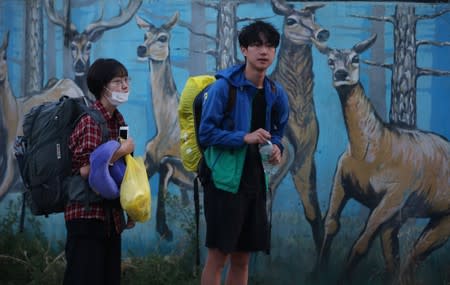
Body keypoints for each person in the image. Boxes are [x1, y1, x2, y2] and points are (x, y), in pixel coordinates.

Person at [198, 21, 289, 285]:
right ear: (244, 50)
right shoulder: (223, 88)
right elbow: (206, 133)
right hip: (224, 181)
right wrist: (243, 137)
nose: (264, 51)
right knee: (218, 256)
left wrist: (278, 149)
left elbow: (279, 131)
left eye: (270, 46)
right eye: (257, 45)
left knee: (242, 258)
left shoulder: (275, 92)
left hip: (256, 181)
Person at [64, 58, 135, 285]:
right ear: (102, 87)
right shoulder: (90, 122)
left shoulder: (120, 121)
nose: (125, 86)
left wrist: (130, 205)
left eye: (126, 80)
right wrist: (118, 152)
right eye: (117, 81)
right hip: (87, 218)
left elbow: (122, 167)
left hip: (111, 219)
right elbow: (85, 170)